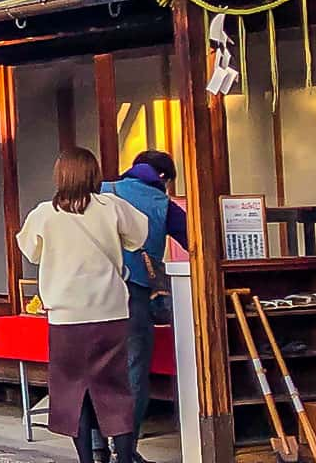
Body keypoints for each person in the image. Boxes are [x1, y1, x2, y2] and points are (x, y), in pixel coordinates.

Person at [18, 148, 150, 463]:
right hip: (111, 312)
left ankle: (87, 459)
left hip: (67, 317)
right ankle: (125, 457)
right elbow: (138, 238)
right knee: (115, 389)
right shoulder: (113, 207)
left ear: (60, 175)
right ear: (93, 173)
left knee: (72, 392)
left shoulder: (44, 214)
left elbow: (31, 251)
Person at [104, 150, 187, 436]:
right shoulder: (164, 204)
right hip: (134, 296)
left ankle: (96, 445)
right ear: (162, 176)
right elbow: (196, 241)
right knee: (134, 369)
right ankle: (127, 447)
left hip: (94, 293)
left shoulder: (102, 191)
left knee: (98, 370)